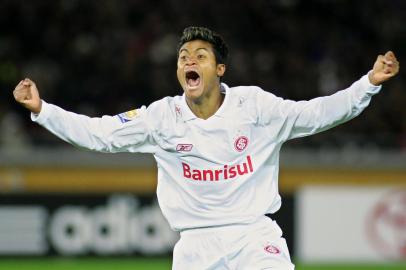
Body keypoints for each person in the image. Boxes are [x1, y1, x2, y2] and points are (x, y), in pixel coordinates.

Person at [13, 26, 399, 269]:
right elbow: (100, 134)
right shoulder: (162, 117)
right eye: (183, 57)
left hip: (254, 237)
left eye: (200, 56)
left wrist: (368, 84)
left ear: (220, 70)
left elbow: (316, 114)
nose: (189, 61)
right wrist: (43, 110)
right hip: (195, 246)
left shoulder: (255, 107)